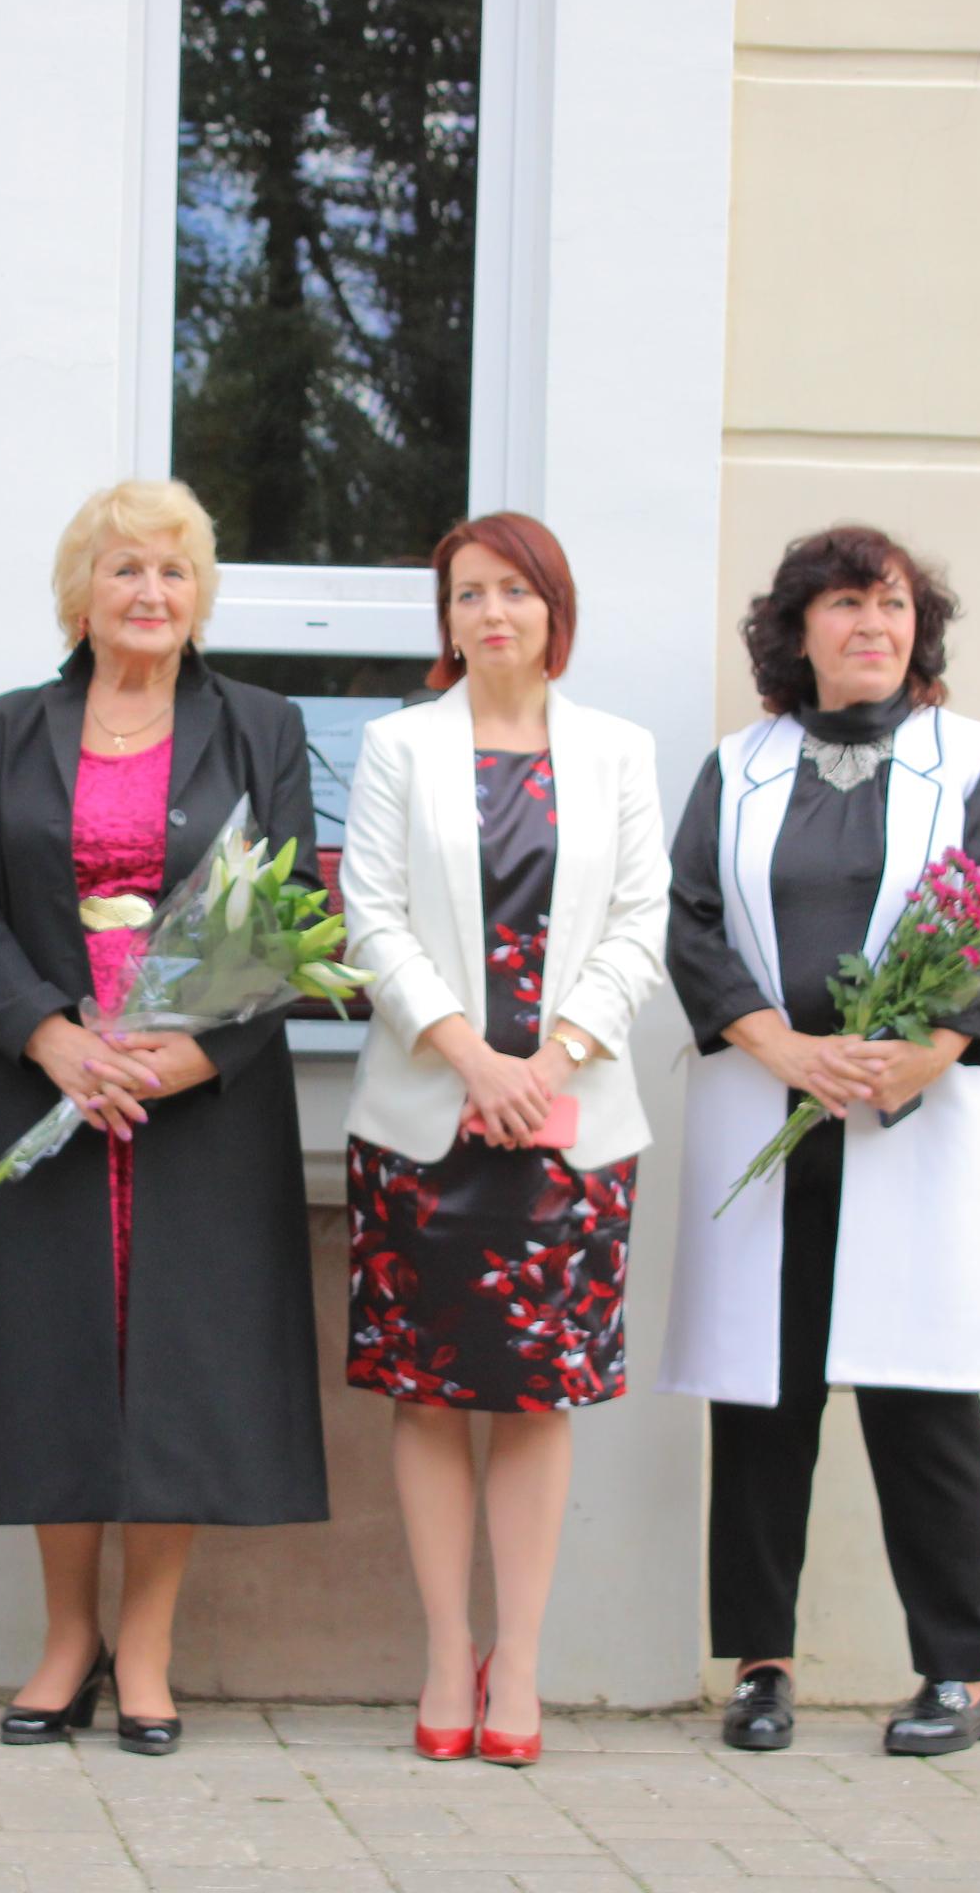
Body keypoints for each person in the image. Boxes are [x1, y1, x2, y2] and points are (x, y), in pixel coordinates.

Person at [0, 479, 326, 1757]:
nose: (150, 592)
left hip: (195, 1105)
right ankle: (67, 1638)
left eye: (174, 570)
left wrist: (192, 1058)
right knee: (52, 1363)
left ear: (199, 595)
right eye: (125, 569)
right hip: (45, 1087)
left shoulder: (260, 725)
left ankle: (145, 1646)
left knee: (178, 1373)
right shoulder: (8, 729)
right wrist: (50, 1037)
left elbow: (294, 919)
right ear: (80, 594)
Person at [660, 524, 980, 1759]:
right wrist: (781, 1046)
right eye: (843, 604)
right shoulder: (738, 768)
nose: (871, 624)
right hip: (774, 1108)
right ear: (798, 630)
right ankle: (760, 1665)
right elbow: (692, 922)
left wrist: (924, 1050)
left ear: (919, 629)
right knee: (764, 1400)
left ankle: (962, 1672)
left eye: (892, 605)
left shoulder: (971, 760)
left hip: (906, 1123)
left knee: (922, 1398)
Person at [334, 512, 669, 1767]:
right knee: (427, 1397)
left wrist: (551, 1061)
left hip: (572, 1127)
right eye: (468, 593)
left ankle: (517, 1660)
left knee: (537, 1396)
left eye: (514, 591)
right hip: (426, 1119)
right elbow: (370, 916)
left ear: (553, 610)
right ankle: (442, 1651)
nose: (491, 613)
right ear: (448, 618)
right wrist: (473, 1058)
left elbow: (640, 921)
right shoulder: (397, 746)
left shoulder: (620, 751)